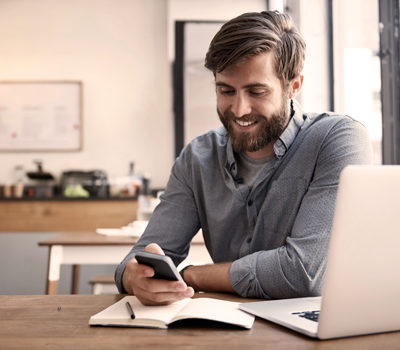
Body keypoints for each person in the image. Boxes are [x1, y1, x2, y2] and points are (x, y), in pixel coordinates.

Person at [115, 11, 372, 305]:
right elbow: (142, 257)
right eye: (226, 91)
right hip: (231, 328)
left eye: (256, 91)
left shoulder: (338, 140)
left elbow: (303, 273)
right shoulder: (197, 158)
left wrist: (192, 276)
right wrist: (134, 277)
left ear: (294, 85)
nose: (239, 109)